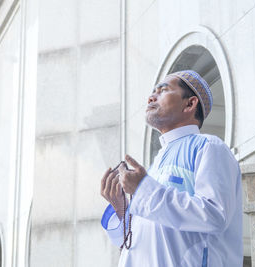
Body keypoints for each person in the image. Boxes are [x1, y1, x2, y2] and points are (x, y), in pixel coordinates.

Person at [100, 70, 243, 266]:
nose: (151, 96)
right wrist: (122, 208)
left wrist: (143, 191)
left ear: (190, 104)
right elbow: (145, 241)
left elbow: (214, 215)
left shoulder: (208, 146)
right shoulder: (156, 164)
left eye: (163, 90)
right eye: (153, 92)